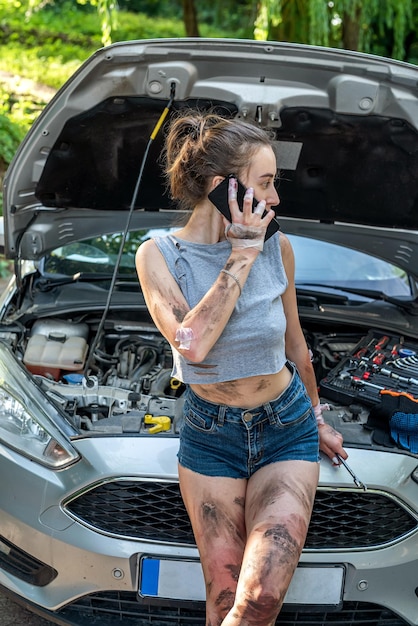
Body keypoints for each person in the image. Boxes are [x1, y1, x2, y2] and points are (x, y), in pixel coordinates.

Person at [136, 111, 348, 626]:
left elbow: (296, 345)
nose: (275, 198)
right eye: (267, 183)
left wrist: (317, 417)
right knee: (225, 598)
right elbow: (192, 344)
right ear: (222, 187)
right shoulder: (158, 255)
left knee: (260, 599)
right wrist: (241, 253)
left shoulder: (279, 246)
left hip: (285, 427)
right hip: (211, 434)